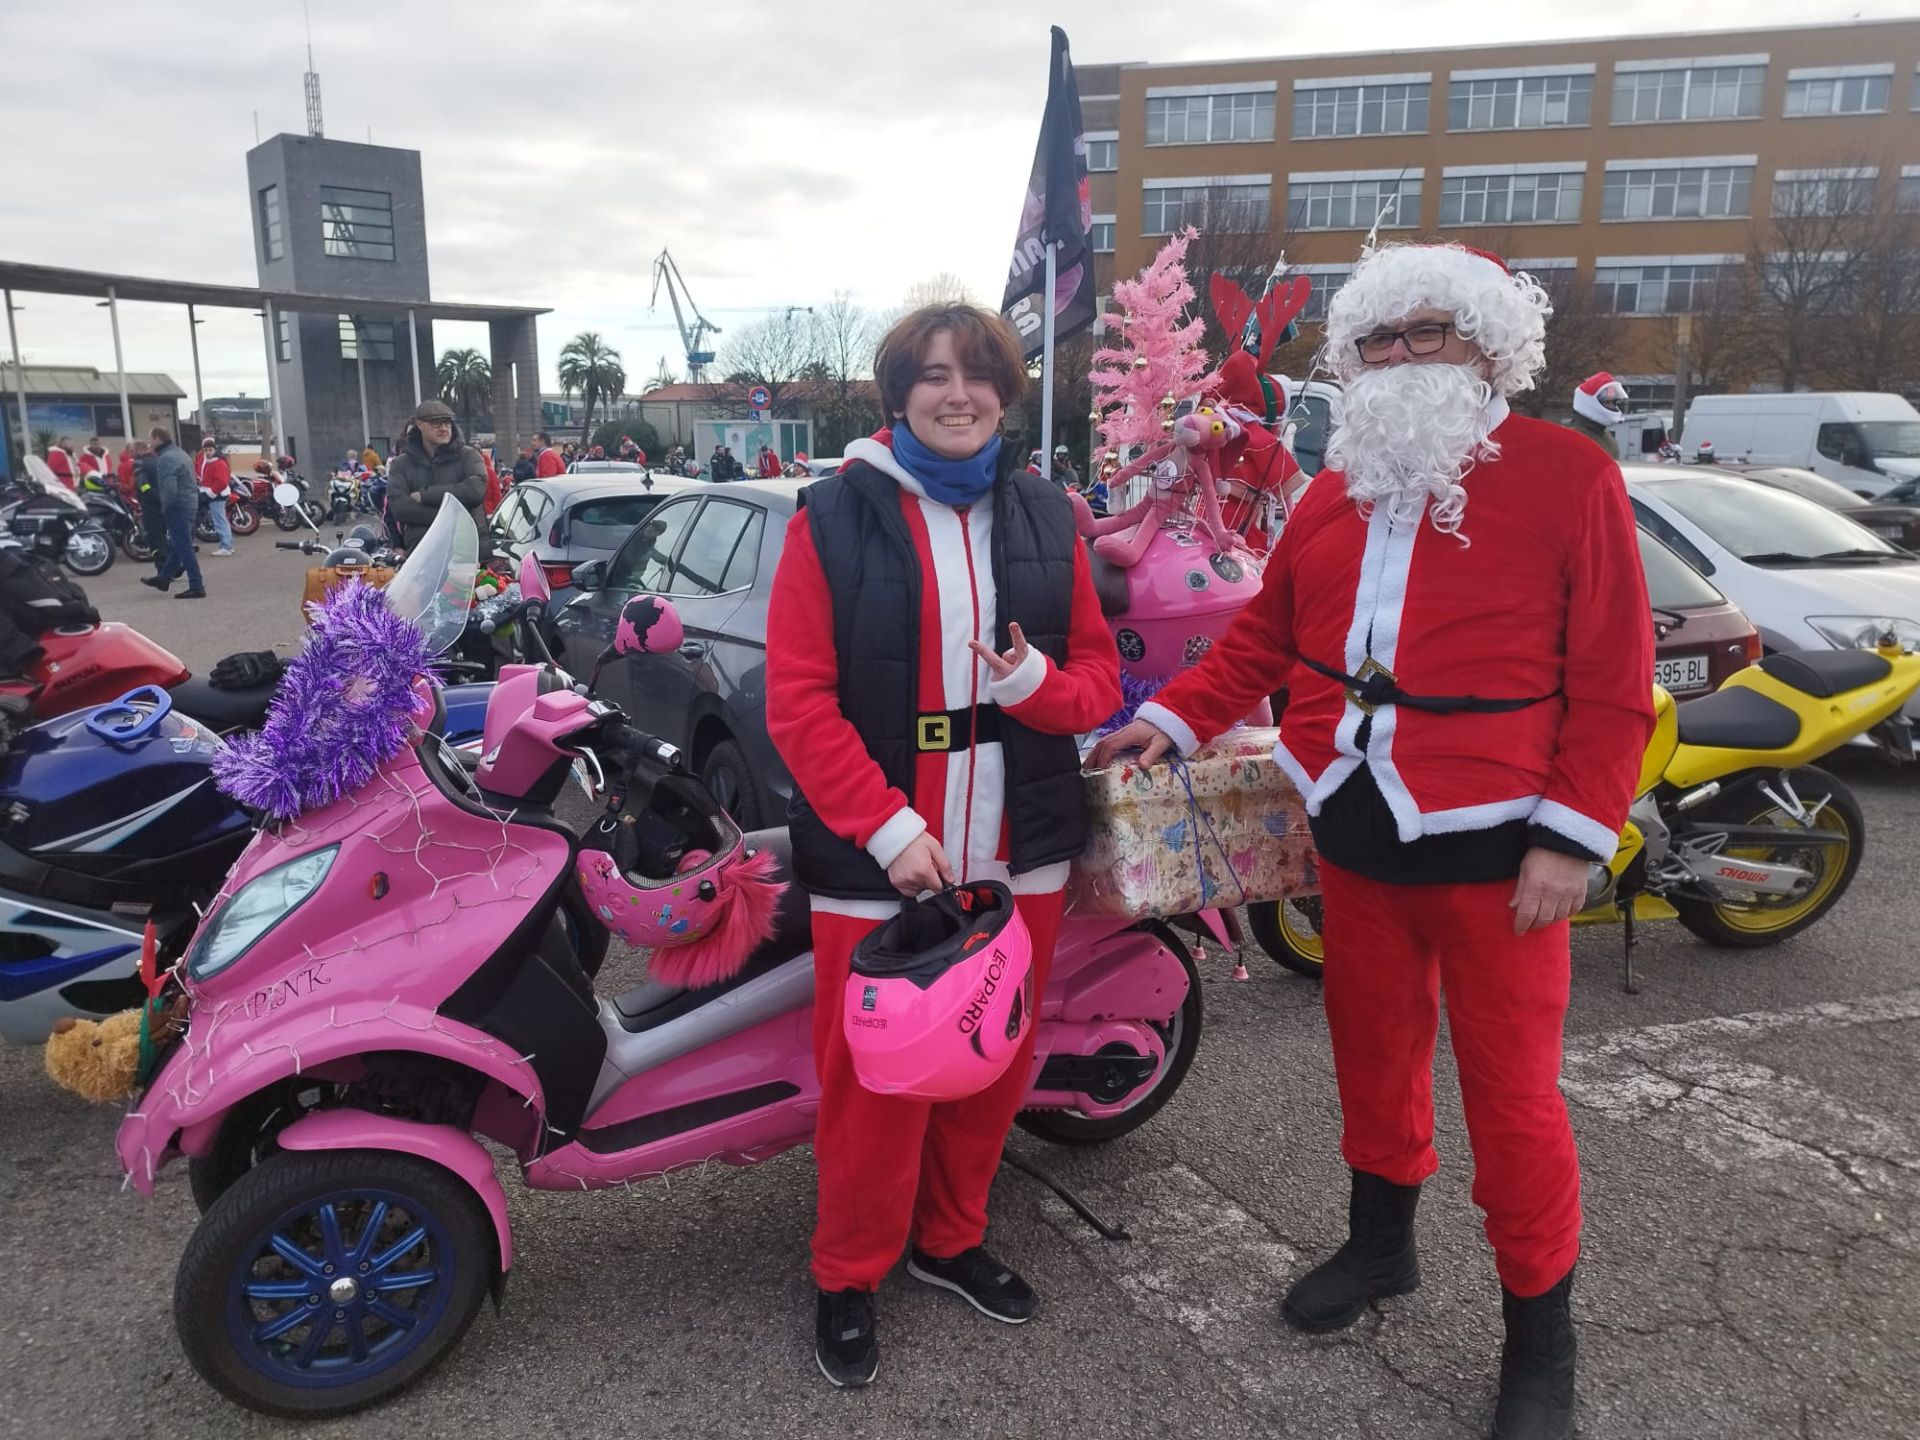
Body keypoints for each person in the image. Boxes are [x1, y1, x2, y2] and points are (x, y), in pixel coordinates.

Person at [1093, 243, 1655, 1440]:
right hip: (1353, 833)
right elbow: (1262, 642)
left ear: (1491, 348)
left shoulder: (1568, 477)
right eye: (1375, 342)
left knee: (1514, 1107)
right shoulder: (1336, 490)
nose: (1397, 359)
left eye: (1427, 334)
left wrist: (1573, 837)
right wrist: (1164, 719)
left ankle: (1540, 1340)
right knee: (1372, 1056)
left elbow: (1613, 682)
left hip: (1504, 852)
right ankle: (1380, 1248)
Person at [764, 302, 1122, 1390]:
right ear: (897, 395)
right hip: (882, 854)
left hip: (1026, 844)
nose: (955, 393)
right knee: (872, 1083)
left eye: (976, 375)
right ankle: (849, 1271)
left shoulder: (1053, 514)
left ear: (1005, 393)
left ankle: (952, 1239)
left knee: (993, 1060)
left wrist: (1033, 688)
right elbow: (798, 702)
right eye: (931, 375)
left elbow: (1102, 685)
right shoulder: (828, 517)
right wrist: (889, 826)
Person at [386, 399, 493, 560]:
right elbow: (400, 508)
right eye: (436, 423)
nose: (444, 428)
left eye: (447, 423)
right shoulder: (401, 464)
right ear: (419, 424)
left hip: (467, 553)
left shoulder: (469, 455)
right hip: (422, 554)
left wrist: (425, 495)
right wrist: (454, 517)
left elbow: (475, 490)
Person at [140, 427, 205, 598]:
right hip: (190, 502)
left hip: (178, 506)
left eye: (151, 439)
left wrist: (164, 508)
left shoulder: (166, 459)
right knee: (178, 544)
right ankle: (164, 578)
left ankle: (197, 585)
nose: (149, 443)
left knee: (184, 547)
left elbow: (169, 489)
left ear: (157, 438)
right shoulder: (180, 453)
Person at [1569, 372, 1629, 460]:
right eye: (1607, 402)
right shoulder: (1572, 438)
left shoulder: (1609, 440)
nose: (1613, 407)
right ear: (1589, 402)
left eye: (1614, 402)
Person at [194, 436, 235, 556]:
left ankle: (226, 547)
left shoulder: (217, 463)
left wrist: (210, 493)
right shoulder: (215, 462)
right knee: (221, 521)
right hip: (215, 494)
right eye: (206, 450)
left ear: (214, 449)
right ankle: (227, 545)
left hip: (216, 495)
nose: (208, 452)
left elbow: (222, 482)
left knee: (220, 521)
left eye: (210, 450)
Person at [131, 440, 166, 566]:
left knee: (154, 539)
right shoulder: (158, 461)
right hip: (163, 503)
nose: (131, 454)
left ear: (139, 449)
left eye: (133, 451)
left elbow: (143, 485)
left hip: (150, 505)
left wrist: (147, 495)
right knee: (163, 536)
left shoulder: (139, 463)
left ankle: (163, 570)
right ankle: (173, 566)